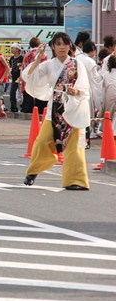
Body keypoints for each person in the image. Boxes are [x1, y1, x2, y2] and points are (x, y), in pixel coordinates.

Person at [23, 33, 90, 190]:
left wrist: (76, 91)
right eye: (58, 44)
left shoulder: (77, 64)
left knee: (74, 147)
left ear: (69, 46)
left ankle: (76, 181)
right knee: (42, 142)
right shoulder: (48, 64)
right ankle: (34, 171)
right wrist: (38, 58)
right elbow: (30, 77)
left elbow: (84, 87)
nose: (61, 47)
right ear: (53, 46)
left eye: (65, 44)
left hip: (73, 108)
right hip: (55, 109)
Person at [78, 40, 103, 149]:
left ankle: (77, 139)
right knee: (87, 116)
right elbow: (96, 79)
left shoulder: (77, 58)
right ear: (93, 50)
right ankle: (86, 141)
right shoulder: (90, 62)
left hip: (76, 91)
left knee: (78, 116)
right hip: (87, 91)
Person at [20, 37, 47, 115]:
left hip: (27, 80)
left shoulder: (27, 54)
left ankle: (28, 113)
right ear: (39, 44)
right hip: (39, 81)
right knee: (40, 102)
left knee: (28, 100)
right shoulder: (42, 54)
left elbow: (23, 67)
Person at [8, 45, 23, 113]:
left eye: (13, 48)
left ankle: (23, 107)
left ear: (17, 49)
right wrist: (9, 73)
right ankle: (13, 108)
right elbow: (10, 67)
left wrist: (21, 77)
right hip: (14, 79)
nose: (11, 49)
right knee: (12, 93)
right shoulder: (11, 58)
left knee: (21, 94)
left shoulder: (21, 58)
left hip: (20, 78)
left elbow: (22, 68)